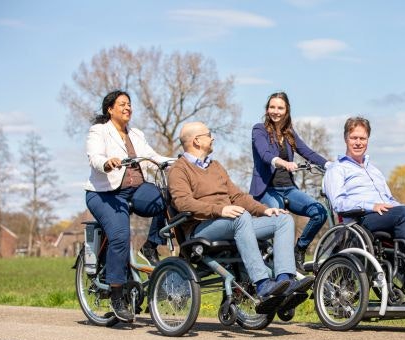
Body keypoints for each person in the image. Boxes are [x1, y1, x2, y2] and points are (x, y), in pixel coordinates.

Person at [168, 121, 314, 313]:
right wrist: (219, 210)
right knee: (240, 216)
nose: (213, 138)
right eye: (209, 134)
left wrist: (264, 210)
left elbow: (237, 197)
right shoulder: (179, 169)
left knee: (283, 219)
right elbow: (183, 203)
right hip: (201, 228)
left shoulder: (216, 166)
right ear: (196, 140)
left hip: (233, 222)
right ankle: (261, 283)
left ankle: (284, 280)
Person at [323, 117, 405, 294]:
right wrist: (371, 205)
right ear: (346, 138)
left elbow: (390, 200)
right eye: (354, 138)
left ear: (368, 140)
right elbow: (338, 203)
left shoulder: (374, 170)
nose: (358, 142)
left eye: (362, 138)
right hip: (362, 219)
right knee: (403, 214)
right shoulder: (337, 169)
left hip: (389, 213)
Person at [85, 90, 173, 322]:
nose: (127, 108)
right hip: (106, 194)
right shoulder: (99, 131)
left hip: (136, 190)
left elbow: (153, 157)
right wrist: (106, 162)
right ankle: (116, 294)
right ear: (110, 109)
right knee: (121, 236)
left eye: (129, 104)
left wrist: (177, 161)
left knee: (167, 198)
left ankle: (151, 244)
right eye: (122, 104)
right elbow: (94, 156)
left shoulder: (136, 133)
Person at [250, 92, 330, 271]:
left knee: (319, 212)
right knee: (281, 218)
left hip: (288, 188)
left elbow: (308, 152)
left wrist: (330, 165)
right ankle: (281, 268)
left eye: (280, 108)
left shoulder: (289, 134)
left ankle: (299, 250)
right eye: (272, 107)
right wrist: (283, 162)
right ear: (267, 109)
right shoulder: (259, 130)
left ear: (286, 111)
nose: (275, 111)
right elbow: (265, 154)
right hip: (267, 189)